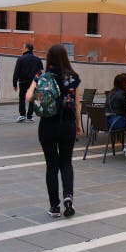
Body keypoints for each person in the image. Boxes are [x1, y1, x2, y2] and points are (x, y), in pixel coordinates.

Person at [25, 44, 81, 218]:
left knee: (51, 165)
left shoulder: (41, 75)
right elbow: (77, 104)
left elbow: (28, 96)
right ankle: (68, 199)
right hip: (67, 124)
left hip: (48, 125)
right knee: (66, 162)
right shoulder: (72, 77)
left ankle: (54, 207)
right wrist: (78, 125)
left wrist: (40, 96)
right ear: (65, 57)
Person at [12, 43, 43, 122]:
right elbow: (41, 71)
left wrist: (14, 83)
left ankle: (22, 115)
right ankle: (30, 116)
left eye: (23, 47)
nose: (22, 49)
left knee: (22, 98)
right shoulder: (37, 59)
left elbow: (16, 72)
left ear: (26, 49)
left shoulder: (21, 59)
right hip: (33, 82)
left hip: (23, 81)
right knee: (32, 98)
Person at [105, 74, 126, 157]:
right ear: (123, 83)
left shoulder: (110, 92)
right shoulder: (123, 94)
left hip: (106, 122)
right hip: (116, 122)